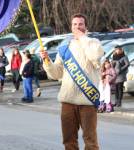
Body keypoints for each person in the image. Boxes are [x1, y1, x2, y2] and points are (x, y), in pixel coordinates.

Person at [40, 13, 104, 150]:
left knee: (90, 141)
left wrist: (82, 37)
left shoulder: (94, 43)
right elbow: (56, 73)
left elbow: (95, 56)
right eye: (75, 24)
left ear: (86, 26)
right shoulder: (65, 48)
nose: (78, 27)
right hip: (68, 102)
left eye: (81, 24)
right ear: (71, 26)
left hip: (87, 101)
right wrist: (47, 61)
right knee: (69, 140)